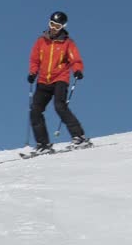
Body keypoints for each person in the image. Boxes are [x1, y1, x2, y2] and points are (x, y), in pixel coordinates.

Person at [27, 10, 89, 153]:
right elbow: (34, 60)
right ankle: (43, 144)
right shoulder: (40, 41)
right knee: (35, 111)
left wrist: (78, 70)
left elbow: (75, 59)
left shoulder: (67, 43)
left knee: (59, 106)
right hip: (43, 80)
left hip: (60, 78)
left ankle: (79, 137)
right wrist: (32, 72)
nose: (54, 28)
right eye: (52, 24)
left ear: (63, 27)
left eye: (57, 26)